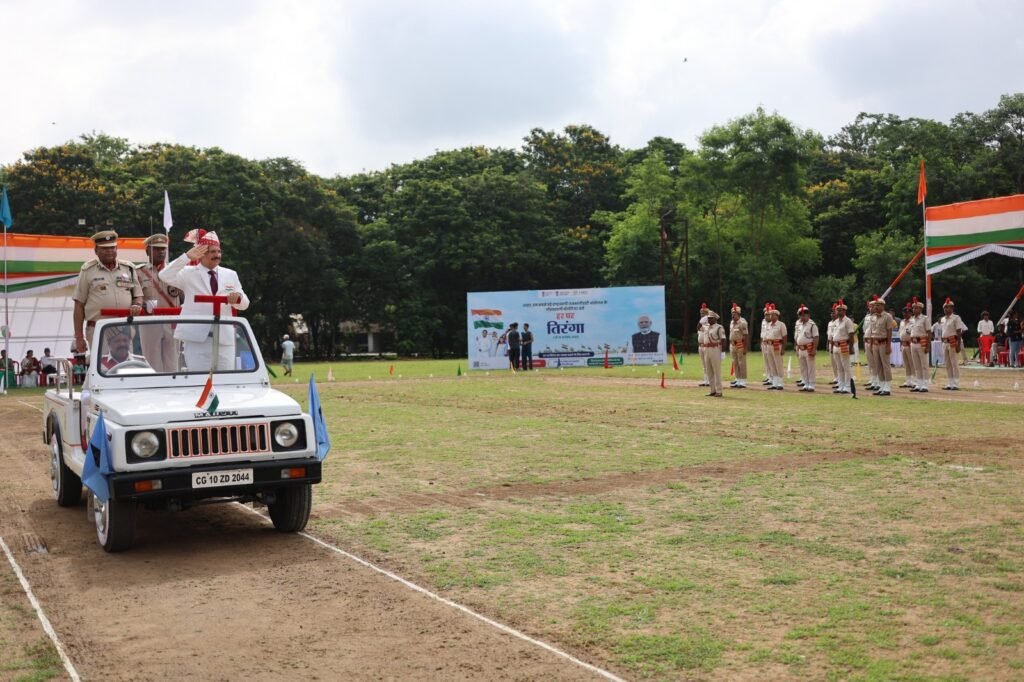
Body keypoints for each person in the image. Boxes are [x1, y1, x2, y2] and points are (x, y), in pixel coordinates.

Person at [158, 230, 249, 372]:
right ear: (201, 254)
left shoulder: (230, 274)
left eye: (219, 251)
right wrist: (187, 257)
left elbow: (245, 304)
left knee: (225, 381)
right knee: (199, 380)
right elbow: (164, 275)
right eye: (212, 252)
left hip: (224, 339)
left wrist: (238, 298)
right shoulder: (188, 273)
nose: (217, 255)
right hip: (196, 338)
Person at [72, 230, 144, 354]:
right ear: (96, 251)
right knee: (103, 363)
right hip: (99, 328)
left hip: (125, 328)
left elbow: (138, 295)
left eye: (112, 247)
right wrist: (79, 337)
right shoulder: (88, 271)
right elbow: (79, 305)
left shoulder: (128, 268)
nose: (109, 251)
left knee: (126, 364)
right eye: (105, 248)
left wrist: (137, 304)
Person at [135, 233, 184, 372]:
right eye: (156, 248)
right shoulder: (139, 272)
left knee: (173, 363)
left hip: (172, 321)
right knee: (152, 363)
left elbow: (184, 297)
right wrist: (141, 304)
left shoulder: (175, 271)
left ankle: (172, 386)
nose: (161, 252)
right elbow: (134, 297)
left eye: (163, 248)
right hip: (149, 322)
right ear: (147, 251)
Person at [866, 296, 894, 396]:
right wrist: (871, 344)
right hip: (875, 343)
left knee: (885, 365)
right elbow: (871, 332)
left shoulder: (887, 316)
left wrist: (888, 345)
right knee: (878, 365)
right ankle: (881, 385)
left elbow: (889, 331)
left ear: (883, 305)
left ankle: (887, 386)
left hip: (883, 343)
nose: (876, 307)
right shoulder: (873, 317)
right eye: (874, 305)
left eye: (878, 305)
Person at [938, 297, 967, 390]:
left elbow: (959, 331)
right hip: (945, 342)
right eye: (945, 307)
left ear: (952, 308)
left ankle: (956, 383)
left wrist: (958, 344)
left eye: (948, 307)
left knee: (954, 363)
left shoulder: (956, 318)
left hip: (953, 341)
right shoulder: (942, 319)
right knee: (947, 363)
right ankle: (950, 382)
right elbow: (943, 330)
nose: (946, 309)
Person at [831, 300, 856, 394]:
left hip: (844, 345)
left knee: (846, 367)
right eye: (837, 310)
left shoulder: (848, 321)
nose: (838, 312)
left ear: (844, 311)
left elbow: (851, 334)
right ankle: (841, 385)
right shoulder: (835, 322)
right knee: (839, 367)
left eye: (840, 310)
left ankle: (848, 386)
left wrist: (851, 347)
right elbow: (833, 335)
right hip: (836, 345)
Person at [794, 305, 819, 392]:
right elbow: (797, 336)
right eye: (800, 315)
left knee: (810, 367)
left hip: (809, 347)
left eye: (804, 315)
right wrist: (797, 346)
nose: (802, 317)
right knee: (803, 367)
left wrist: (814, 349)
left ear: (808, 315)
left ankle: (811, 384)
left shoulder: (812, 325)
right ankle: (805, 383)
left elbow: (816, 337)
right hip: (801, 348)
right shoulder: (799, 325)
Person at [908, 297, 930, 392]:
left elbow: (929, 332)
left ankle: (925, 384)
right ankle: (918, 383)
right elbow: (909, 330)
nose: (914, 310)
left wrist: (928, 346)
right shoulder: (912, 319)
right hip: (913, 343)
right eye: (913, 308)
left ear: (921, 309)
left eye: (916, 308)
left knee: (924, 364)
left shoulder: (925, 319)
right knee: (916, 365)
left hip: (922, 342)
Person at [701, 310, 725, 396]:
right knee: (709, 370)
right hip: (706, 349)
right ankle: (712, 390)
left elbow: (723, 340)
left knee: (716, 371)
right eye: (708, 318)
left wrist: (723, 352)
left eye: (710, 318)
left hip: (715, 349)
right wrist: (702, 319)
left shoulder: (719, 327)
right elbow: (698, 327)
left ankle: (719, 391)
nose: (709, 320)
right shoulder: (706, 327)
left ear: (715, 319)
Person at [762, 304, 786, 390]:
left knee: (778, 364)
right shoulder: (768, 325)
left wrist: (783, 348)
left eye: (772, 315)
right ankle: (774, 383)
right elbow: (766, 335)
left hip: (777, 345)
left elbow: (784, 337)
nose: (770, 316)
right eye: (770, 315)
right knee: (771, 364)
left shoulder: (781, 325)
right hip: (769, 345)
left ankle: (780, 383)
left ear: (777, 316)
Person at [728, 303, 749, 389]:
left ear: (739, 314)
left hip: (740, 344)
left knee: (741, 362)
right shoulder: (731, 322)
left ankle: (743, 380)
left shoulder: (742, 323)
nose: (733, 316)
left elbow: (746, 336)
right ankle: (738, 379)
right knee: (735, 362)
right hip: (732, 344)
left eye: (734, 314)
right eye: (732, 314)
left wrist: (745, 348)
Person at [898, 306, 914, 388]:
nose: (905, 314)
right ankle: (908, 381)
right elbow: (900, 333)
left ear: (911, 313)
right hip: (903, 344)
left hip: (910, 343)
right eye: (904, 312)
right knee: (906, 364)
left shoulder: (913, 321)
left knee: (912, 363)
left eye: (907, 312)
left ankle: (914, 381)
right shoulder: (902, 322)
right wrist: (900, 344)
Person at [696, 303, 710, 386]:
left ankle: (709, 380)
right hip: (700, 346)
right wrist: (701, 322)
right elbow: (698, 329)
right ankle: (705, 380)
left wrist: (703, 322)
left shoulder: (709, 324)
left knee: (708, 364)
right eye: (701, 313)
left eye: (703, 313)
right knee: (704, 364)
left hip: (706, 346)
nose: (702, 315)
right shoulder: (701, 324)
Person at [826, 303, 839, 387]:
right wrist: (827, 344)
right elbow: (828, 334)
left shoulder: (839, 322)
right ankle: (836, 377)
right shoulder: (830, 323)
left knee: (838, 362)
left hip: (837, 344)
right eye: (831, 313)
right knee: (833, 362)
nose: (832, 314)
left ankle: (840, 379)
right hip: (831, 343)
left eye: (833, 313)